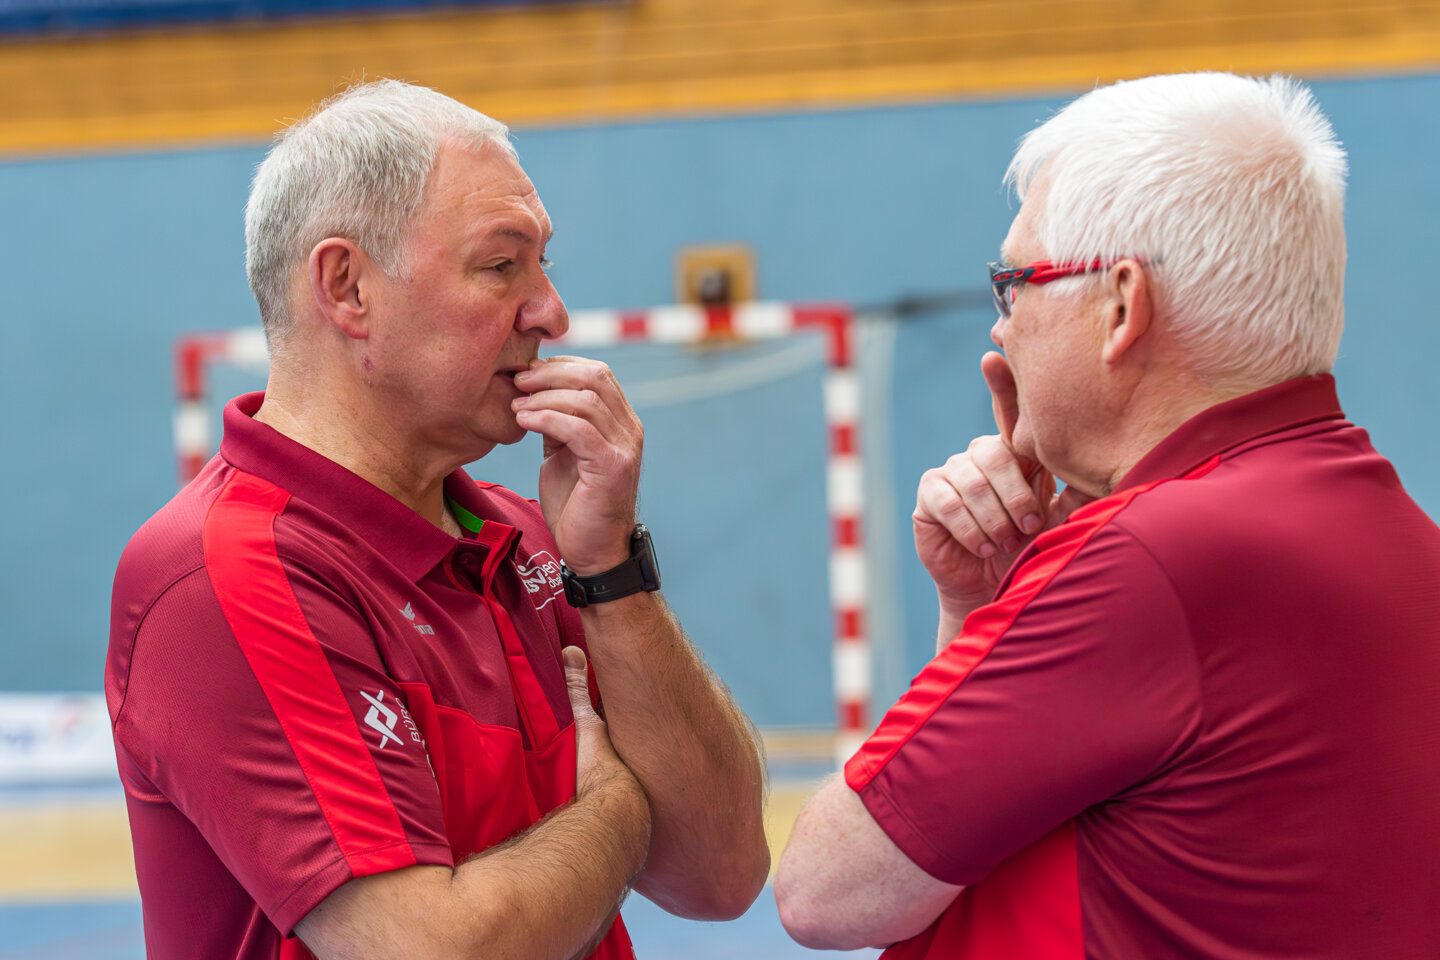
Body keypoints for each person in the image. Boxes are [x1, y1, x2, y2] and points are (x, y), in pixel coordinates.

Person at [775, 72, 1440, 959]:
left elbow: (827, 893)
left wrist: (1008, 599)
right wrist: (994, 606)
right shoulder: (1396, 531)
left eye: (1015, 281)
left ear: (1122, 304)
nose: (1002, 328)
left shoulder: (1150, 557)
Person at [106, 80, 769, 960]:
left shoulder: (528, 537)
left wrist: (610, 572)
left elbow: (721, 873)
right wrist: (612, 806)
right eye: (502, 267)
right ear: (347, 288)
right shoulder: (222, 575)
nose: (552, 312)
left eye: (544, 265)